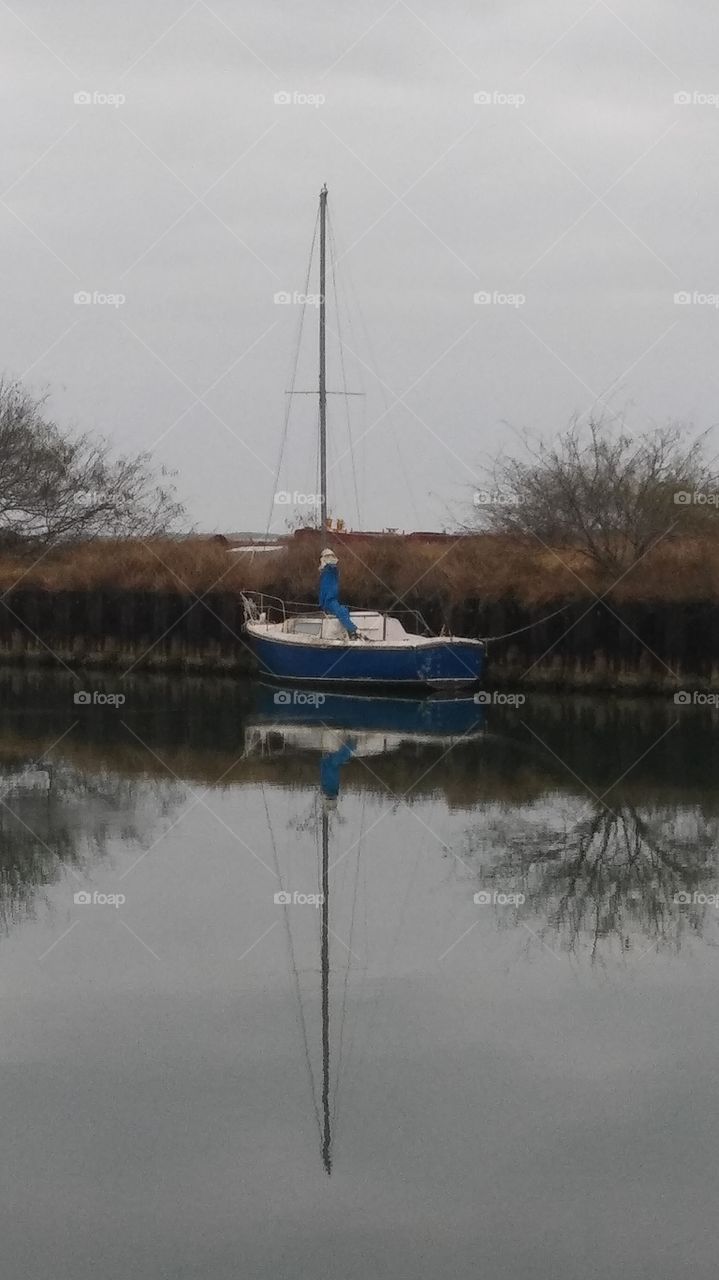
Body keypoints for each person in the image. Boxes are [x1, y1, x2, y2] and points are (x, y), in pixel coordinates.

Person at [318, 547, 359, 639]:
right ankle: (352, 630)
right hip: (328, 599)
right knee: (342, 610)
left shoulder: (330, 570)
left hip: (329, 599)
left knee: (342, 610)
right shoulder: (328, 571)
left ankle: (352, 630)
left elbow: (324, 589)